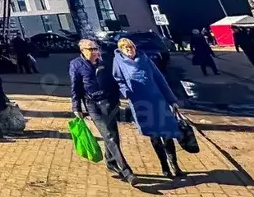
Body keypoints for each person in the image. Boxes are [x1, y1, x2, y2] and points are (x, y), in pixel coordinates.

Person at [112, 37, 185, 179]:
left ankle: (175, 165)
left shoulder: (145, 59)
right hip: (141, 104)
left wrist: (172, 100)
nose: (129, 50)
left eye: (131, 47)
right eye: (126, 48)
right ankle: (164, 166)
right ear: (121, 50)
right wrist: (126, 92)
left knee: (167, 134)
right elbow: (118, 79)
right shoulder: (118, 62)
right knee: (155, 136)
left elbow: (159, 79)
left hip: (158, 101)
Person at [69, 39, 136, 185]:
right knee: (108, 135)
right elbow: (75, 87)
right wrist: (76, 107)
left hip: (108, 102)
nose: (94, 51)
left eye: (95, 48)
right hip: (92, 104)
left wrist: (117, 98)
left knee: (113, 135)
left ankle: (111, 162)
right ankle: (126, 171)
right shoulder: (76, 64)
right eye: (91, 49)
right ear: (82, 51)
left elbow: (114, 81)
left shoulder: (105, 61)